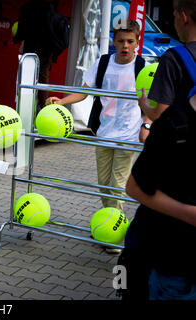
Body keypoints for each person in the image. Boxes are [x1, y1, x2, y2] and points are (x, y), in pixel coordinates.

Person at [122, 0, 196, 300]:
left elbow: (164, 115)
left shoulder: (175, 58)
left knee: (140, 256)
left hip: (171, 181)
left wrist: (146, 108)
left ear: (183, 16)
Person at [46, 20, 150, 215]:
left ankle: (113, 233)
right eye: (120, 41)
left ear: (137, 42)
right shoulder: (102, 63)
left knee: (116, 185)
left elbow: (152, 101)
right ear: (114, 41)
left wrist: (148, 124)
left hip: (128, 135)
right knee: (103, 184)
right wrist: (61, 102)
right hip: (104, 132)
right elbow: (83, 92)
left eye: (129, 41)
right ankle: (107, 223)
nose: (125, 46)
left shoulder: (143, 67)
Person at [12, 0, 57, 109]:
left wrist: (16, 38)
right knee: (43, 79)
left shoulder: (26, 8)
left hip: (30, 49)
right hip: (46, 50)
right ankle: (41, 108)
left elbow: (21, 31)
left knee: (26, 81)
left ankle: (26, 109)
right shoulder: (50, 7)